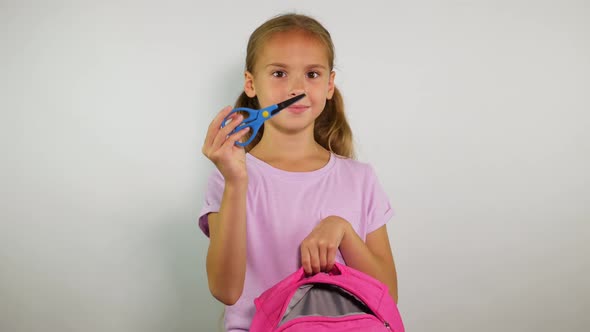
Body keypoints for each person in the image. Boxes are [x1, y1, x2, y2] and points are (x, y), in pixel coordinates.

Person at [199, 13, 398, 331]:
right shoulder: (229, 177)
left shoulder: (361, 179)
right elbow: (225, 290)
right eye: (279, 73)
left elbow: (388, 296)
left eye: (312, 74)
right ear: (251, 84)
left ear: (329, 85)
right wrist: (236, 183)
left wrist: (342, 230)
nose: (296, 88)